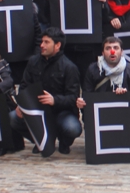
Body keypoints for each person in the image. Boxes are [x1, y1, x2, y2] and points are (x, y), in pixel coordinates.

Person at [13, 26, 82, 157]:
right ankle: (40, 141)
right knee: (13, 118)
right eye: (42, 42)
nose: (42, 45)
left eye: (46, 42)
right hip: (37, 111)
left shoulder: (69, 67)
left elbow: (73, 97)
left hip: (62, 112)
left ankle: (64, 142)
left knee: (72, 128)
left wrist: (54, 100)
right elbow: (24, 85)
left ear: (57, 45)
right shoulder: (33, 61)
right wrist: (21, 105)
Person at [77, 36, 130, 125]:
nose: (112, 51)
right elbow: (87, 95)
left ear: (121, 52)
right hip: (101, 108)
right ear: (102, 52)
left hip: (124, 107)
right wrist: (82, 103)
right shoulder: (93, 69)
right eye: (108, 48)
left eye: (116, 48)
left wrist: (126, 94)